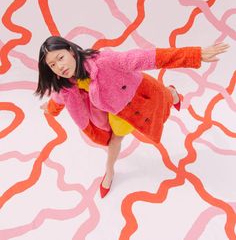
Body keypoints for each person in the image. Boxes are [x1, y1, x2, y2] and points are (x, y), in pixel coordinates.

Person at [35, 36, 229, 198]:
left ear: (70, 49)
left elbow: (146, 57)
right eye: (52, 65)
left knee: (166, 97)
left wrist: (195, 54)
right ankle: (109, 171)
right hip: (117, 112)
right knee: (115, 140)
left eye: (60, 58)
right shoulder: (66, 85)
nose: (59, 66)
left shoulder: (104, 61)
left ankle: (173, 93)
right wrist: (49, 109)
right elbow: (57, 100)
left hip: (142, 95)